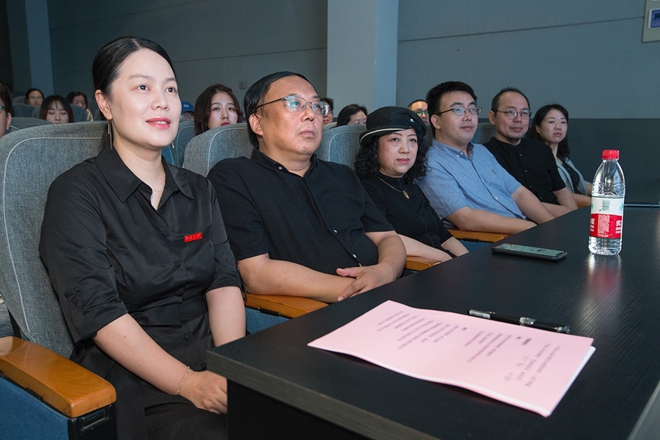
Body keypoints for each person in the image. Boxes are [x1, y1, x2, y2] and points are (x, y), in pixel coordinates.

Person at [39, 36, 245, 440]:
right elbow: (100, 314)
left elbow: (224, 281)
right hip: (137, 373)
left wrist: (230, 366)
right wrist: (191, 384)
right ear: (104, 103)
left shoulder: (199, 188)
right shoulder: (76, 193)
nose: (162, 102)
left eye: (170, 89)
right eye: (143, 87)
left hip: (213, 348)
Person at [208, 71, 406, 304]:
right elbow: (257, 273)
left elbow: (387, 237)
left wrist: (385, 272)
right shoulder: (233, 177)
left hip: (390, 292)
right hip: (327, 310)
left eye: (316, 106)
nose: (311, 114)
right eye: (294, 103)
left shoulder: (342, 175)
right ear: (258, 123)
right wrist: (364, 290)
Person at [418, 81, 557, 235]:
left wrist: (552, 227)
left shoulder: (482, 151)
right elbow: (465, 218)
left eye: (472, 109)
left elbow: (519, 193)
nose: (468, 117)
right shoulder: (431, 165)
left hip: (523, 231)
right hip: (495, 240)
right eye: (458, 110)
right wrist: (530, 229)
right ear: (436, 121)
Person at [355, 106, 468, 262]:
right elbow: (388, 239)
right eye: (395, 140)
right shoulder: (367, 190)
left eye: (412, 140)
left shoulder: (412, 187)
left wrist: (468, 262)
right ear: (374, 148)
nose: (406, 149)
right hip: (419, 269)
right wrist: (445, 259)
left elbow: (445, 238)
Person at [484, 88, 577, 216]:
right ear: (492, 117)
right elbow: (499, 201)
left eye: (524, 113)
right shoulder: (483, 155)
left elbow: (561, 191)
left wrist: (574, 217)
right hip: (521, 222)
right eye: (510, 112)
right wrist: (558, 212)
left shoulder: (542, 149)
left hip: (560, 219)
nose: (518, 119)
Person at [529, 104, 592, 205]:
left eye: (563, 122)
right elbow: (553, 193)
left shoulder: (563, 158)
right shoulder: (535, 159)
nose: (558, 127)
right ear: (538, 128)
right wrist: (593, 201)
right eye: (551, 122)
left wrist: (602, 191)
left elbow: (576, 181)